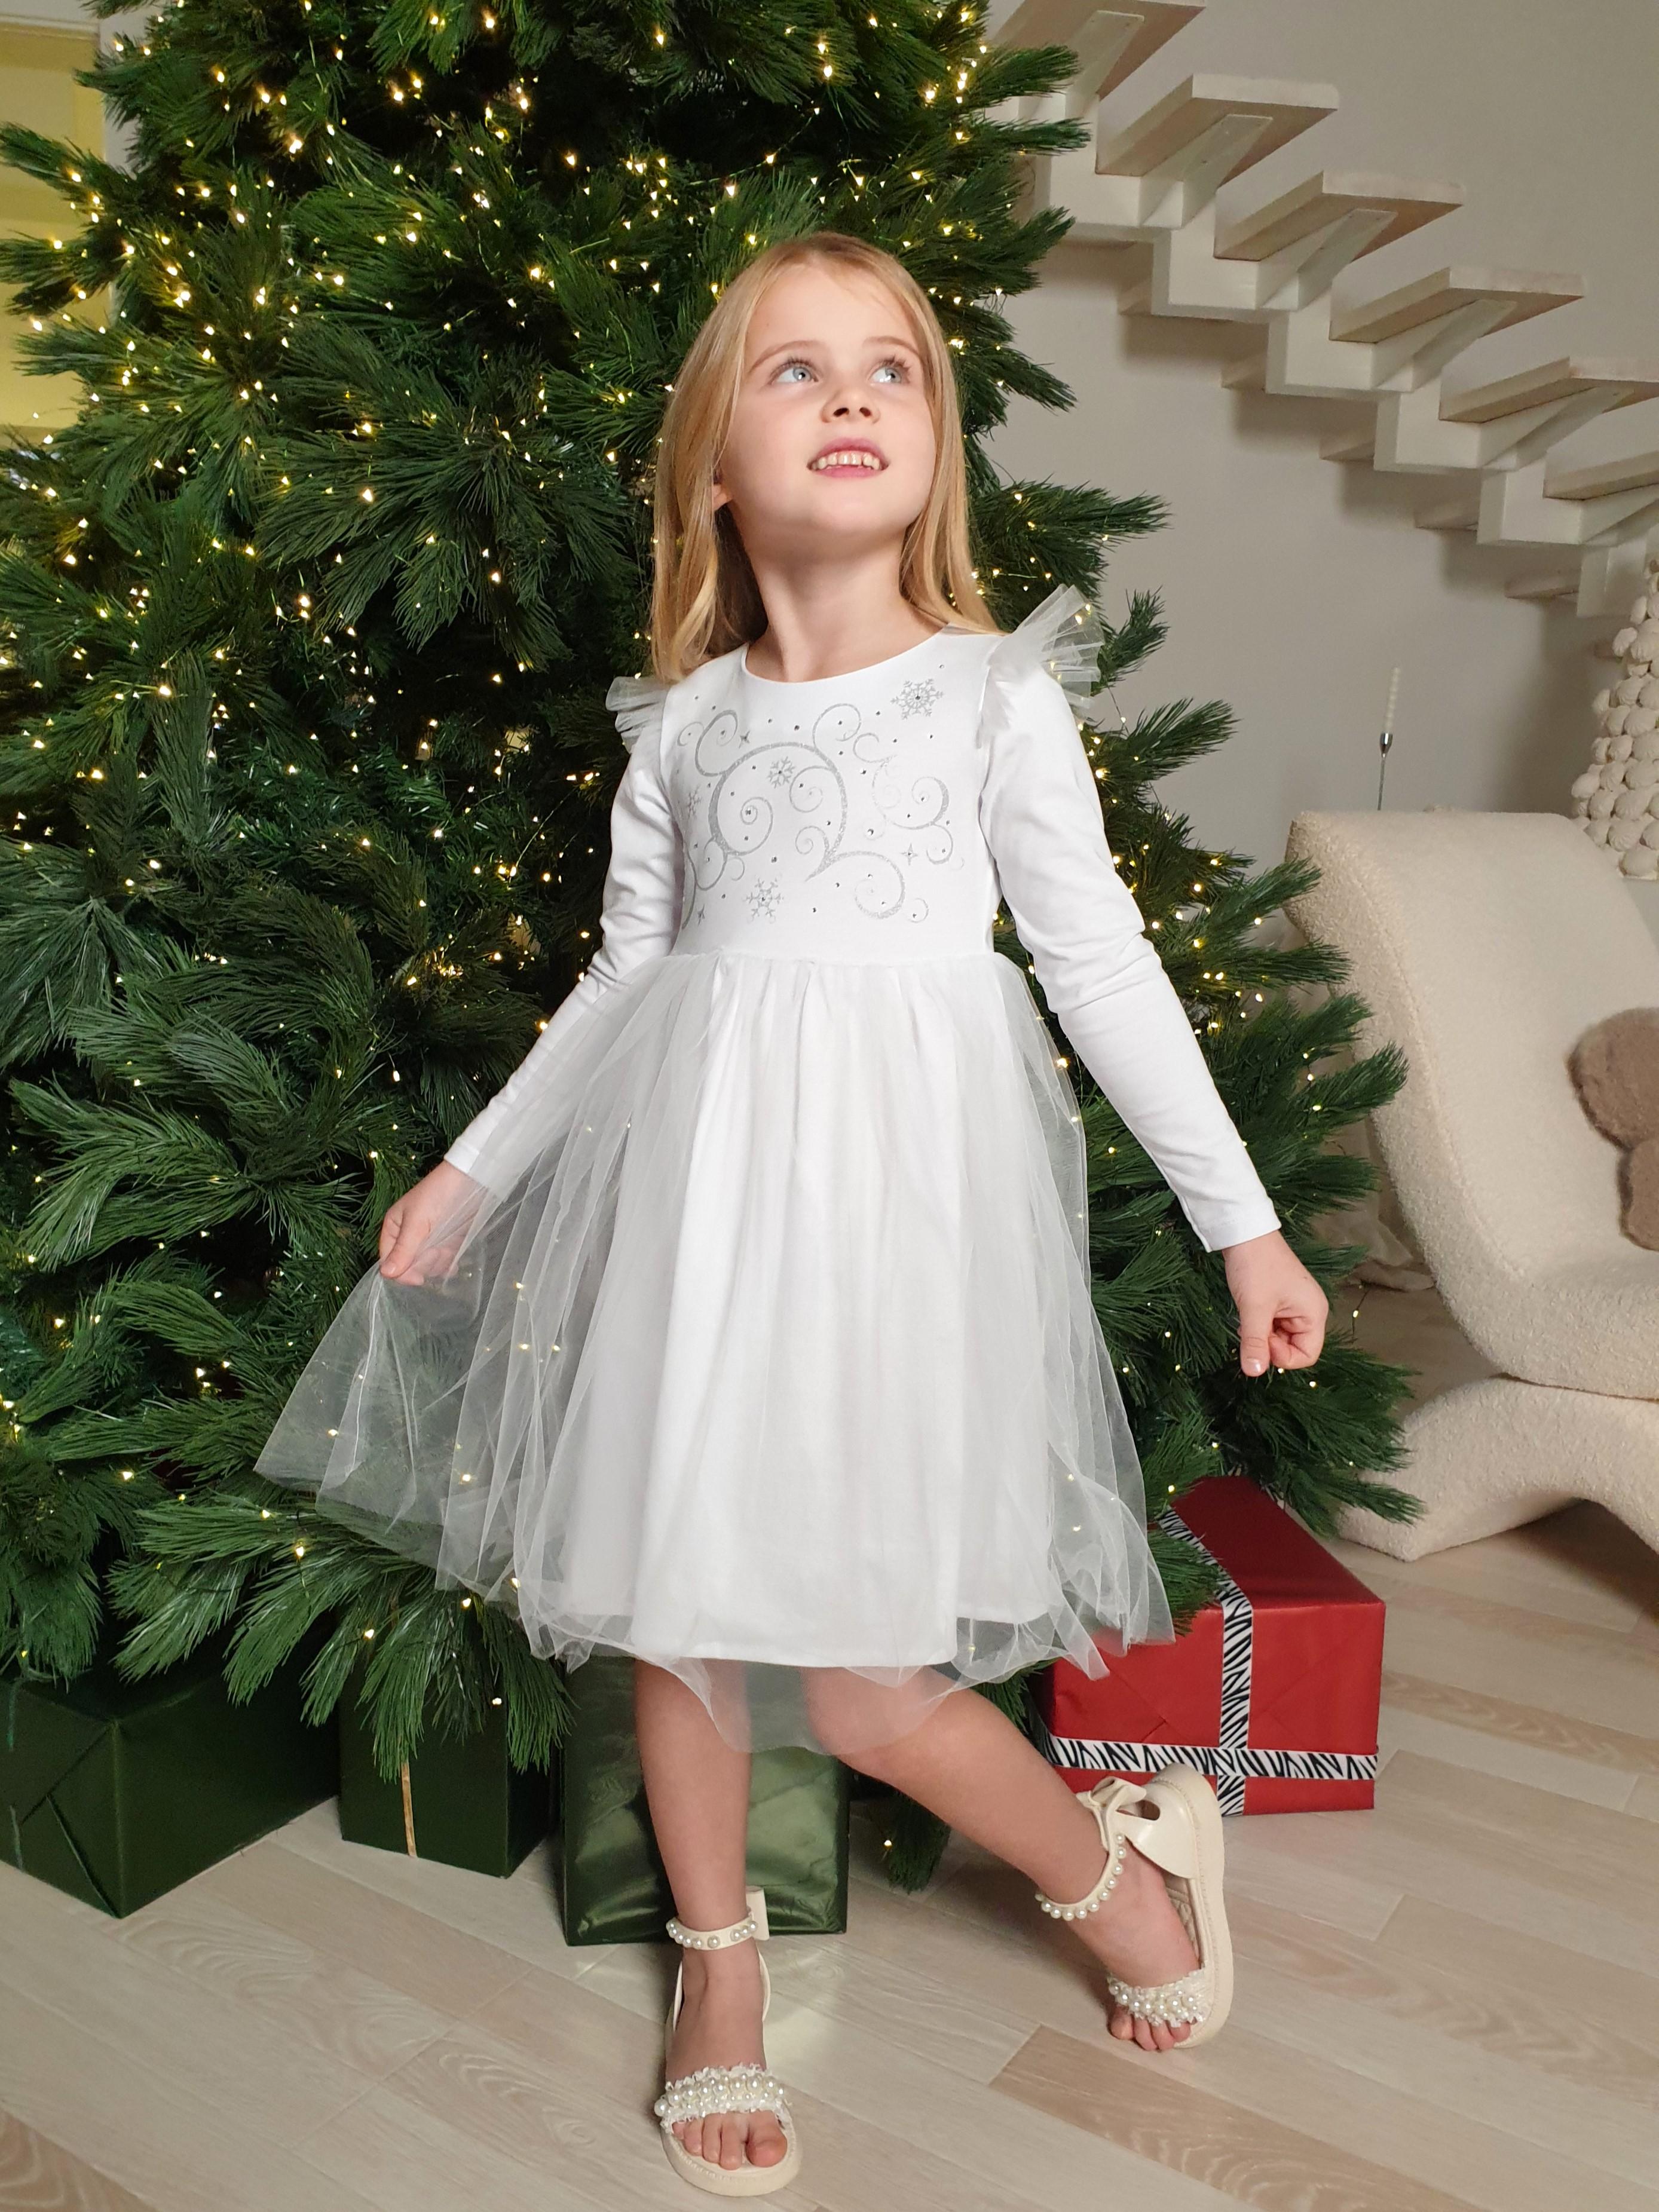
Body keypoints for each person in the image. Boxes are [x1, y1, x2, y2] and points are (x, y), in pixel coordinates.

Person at [254, 230, 1327, 2194]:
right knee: (675, 1620)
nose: (850, 396)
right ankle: (718, 1969)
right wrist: (475, 1168)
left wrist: (1242, 1222)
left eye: (890, 367)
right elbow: (623, 982)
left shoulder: (990, 698)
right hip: (708, 1224)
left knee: (858, 1680)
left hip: (899, 1241)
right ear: (715, 471)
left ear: (935, 441)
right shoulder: (684, 730)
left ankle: (1111, 1864)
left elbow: (1101, 968)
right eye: (796, 369)